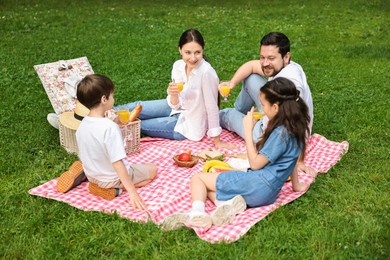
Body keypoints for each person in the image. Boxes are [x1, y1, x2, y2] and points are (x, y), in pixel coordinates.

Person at [162, 77, 311, 230]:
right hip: (269, 195)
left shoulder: (280, 133)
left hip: (257, 184)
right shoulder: (295, 127)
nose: (262, 110)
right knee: (212, 188)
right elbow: (292, 159)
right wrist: (296, 185)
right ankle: (227, 205)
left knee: (198, 179)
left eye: (264, 106)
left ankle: (196, 214)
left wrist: (247, 130)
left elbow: (255, 164)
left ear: (275, 108)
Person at [114, 28, 236, 150]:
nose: (193, 58)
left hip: (188, 124)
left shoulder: (206, 72)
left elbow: (212, 107)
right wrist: (173, 95)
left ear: (203, 50)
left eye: (197, 52)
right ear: (180, 50)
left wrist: (217, 141)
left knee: (137, 124)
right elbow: (175, 104)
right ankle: (100, 115)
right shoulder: (178, 66)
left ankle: (107, 126)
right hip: (174, 108)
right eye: (188, 52)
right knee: (136, 106)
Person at [219, 31, 314, 174]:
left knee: (226, 115)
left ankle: (229, 117)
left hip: (272, 131)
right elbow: (251, 66)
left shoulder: (291, 85)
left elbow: (296, 122)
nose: (265, 63)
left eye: (271, 58)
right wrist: (231, 83)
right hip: (271, 109)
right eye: (262, 57)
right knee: (250, 78)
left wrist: (299, 160)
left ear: (286, 56)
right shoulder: (285, 66)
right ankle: (240, 113)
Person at [59, 74, 157, 210]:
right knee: (152, 170)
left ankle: (98, 185)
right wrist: (132, 192)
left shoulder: (82, 125)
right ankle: (115, 190)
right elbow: (118, 164)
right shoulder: (109, 128)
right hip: (111, 178)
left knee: (134, 173)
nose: (113, 98)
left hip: (92, 175)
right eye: (112, 95)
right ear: (104, 99)